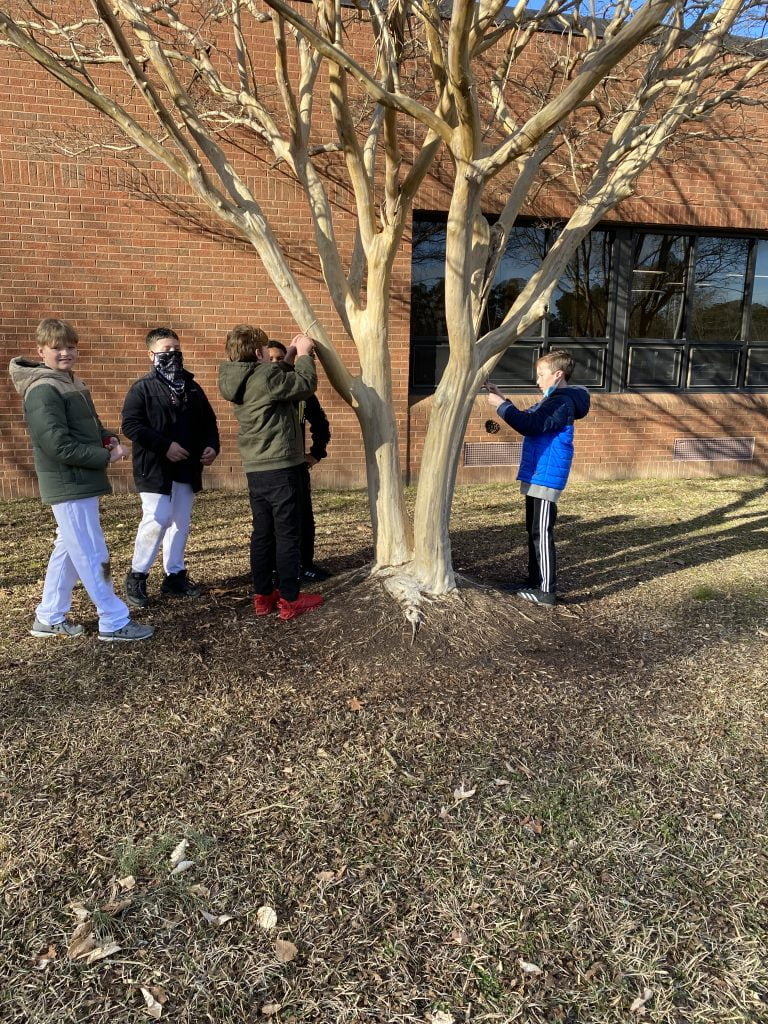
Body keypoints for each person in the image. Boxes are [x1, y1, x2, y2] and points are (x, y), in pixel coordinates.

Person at [9, 318, 155, 641]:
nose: (65, 353)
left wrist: (108, 439)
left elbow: (90, 427)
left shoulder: (71, 382)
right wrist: (106, 457)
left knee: (69, 548)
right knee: (91, 553)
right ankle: (113, 620)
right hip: (68, 483)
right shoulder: (42, 389)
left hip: (79, 481)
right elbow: (56, 444)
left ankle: (48, 616)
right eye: (57, 347)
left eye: (70, 346)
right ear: (41, 351)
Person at [218, 325, 325, 621]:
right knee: (288, 535)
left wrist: (288, 357)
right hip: (282, 468)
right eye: (266, 350)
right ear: (258, 352)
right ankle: (290, 599)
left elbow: (274, 385)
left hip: (257, 470)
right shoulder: (265, 375)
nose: (268, 354)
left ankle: (263, 596)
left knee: (263, 534)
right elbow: (304, 385)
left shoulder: (236, 377)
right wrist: (305, 355)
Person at [121, 327, 220, 608]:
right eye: (166, 350)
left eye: (176, 348)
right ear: (151, 354)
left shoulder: (192, 387)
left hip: (187, 467)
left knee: (180, 522)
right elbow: (131, 425)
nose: (173, 354)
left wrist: (212, 446)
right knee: (158, 518)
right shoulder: (142, 388)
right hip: (154, 468)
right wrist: (164, 446)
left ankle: (174, 575)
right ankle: (137, 575)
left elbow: (209, 422)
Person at [486, 350, 590, 606]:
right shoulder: (551, 400)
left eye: (541, 375)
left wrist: (500, 406)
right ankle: (534, 581)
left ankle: (546, 591)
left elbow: (529, 425)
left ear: (558, 375)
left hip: (546, 477)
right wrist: (504, 400)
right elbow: (528, 418)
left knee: (541, 532)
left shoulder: (561, 403)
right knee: (534, 530)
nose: (537, 381)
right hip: (537, 473)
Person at [266, 340, 332, 581]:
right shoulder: (260, 389)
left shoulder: (301, 392)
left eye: (280, 358)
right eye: (270, 359)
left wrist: (316, 453)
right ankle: (273, 569)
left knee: (303, 518)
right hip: (270, 468)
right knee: (271, 522)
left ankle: (305, 564)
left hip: (296, 466)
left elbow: (321, 424)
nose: (275, 363)